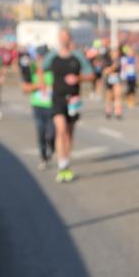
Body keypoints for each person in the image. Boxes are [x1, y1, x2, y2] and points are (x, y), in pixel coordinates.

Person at [38, 29, 95, 183]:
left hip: (74, 100)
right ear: (58, 39)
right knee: (61, 130)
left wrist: (78, 77)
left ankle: (66, 163)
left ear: (70, 38)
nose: (63, 39)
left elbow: (91, 74)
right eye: (61, 37)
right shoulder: (53, 56)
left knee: (69, 134)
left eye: (66, 37)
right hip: (57, 98)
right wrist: (42, 84)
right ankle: (61, 166)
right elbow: (41, 68)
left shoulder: (77, 56)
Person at [20, 46, 56, 169]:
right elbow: (25, 88)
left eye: (44, 57)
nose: (42, 60)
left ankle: (52, 147)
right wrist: (37, 86)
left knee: (51, 134)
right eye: (40, 57)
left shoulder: (54, 69)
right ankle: (43, 157)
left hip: (52, 106)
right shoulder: (31, 70)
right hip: (38, 106)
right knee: (41, 132)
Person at [103, 47, 123, 119]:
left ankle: (118, 112)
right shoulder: (107, 61)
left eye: (117, 53)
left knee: (118, 95)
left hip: (117, 80)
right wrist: (113, 67)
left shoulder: (120, 61)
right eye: (114, 52)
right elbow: (105, 71)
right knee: (110, 96)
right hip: (109, 80)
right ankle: (108, 110)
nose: (116, 54)